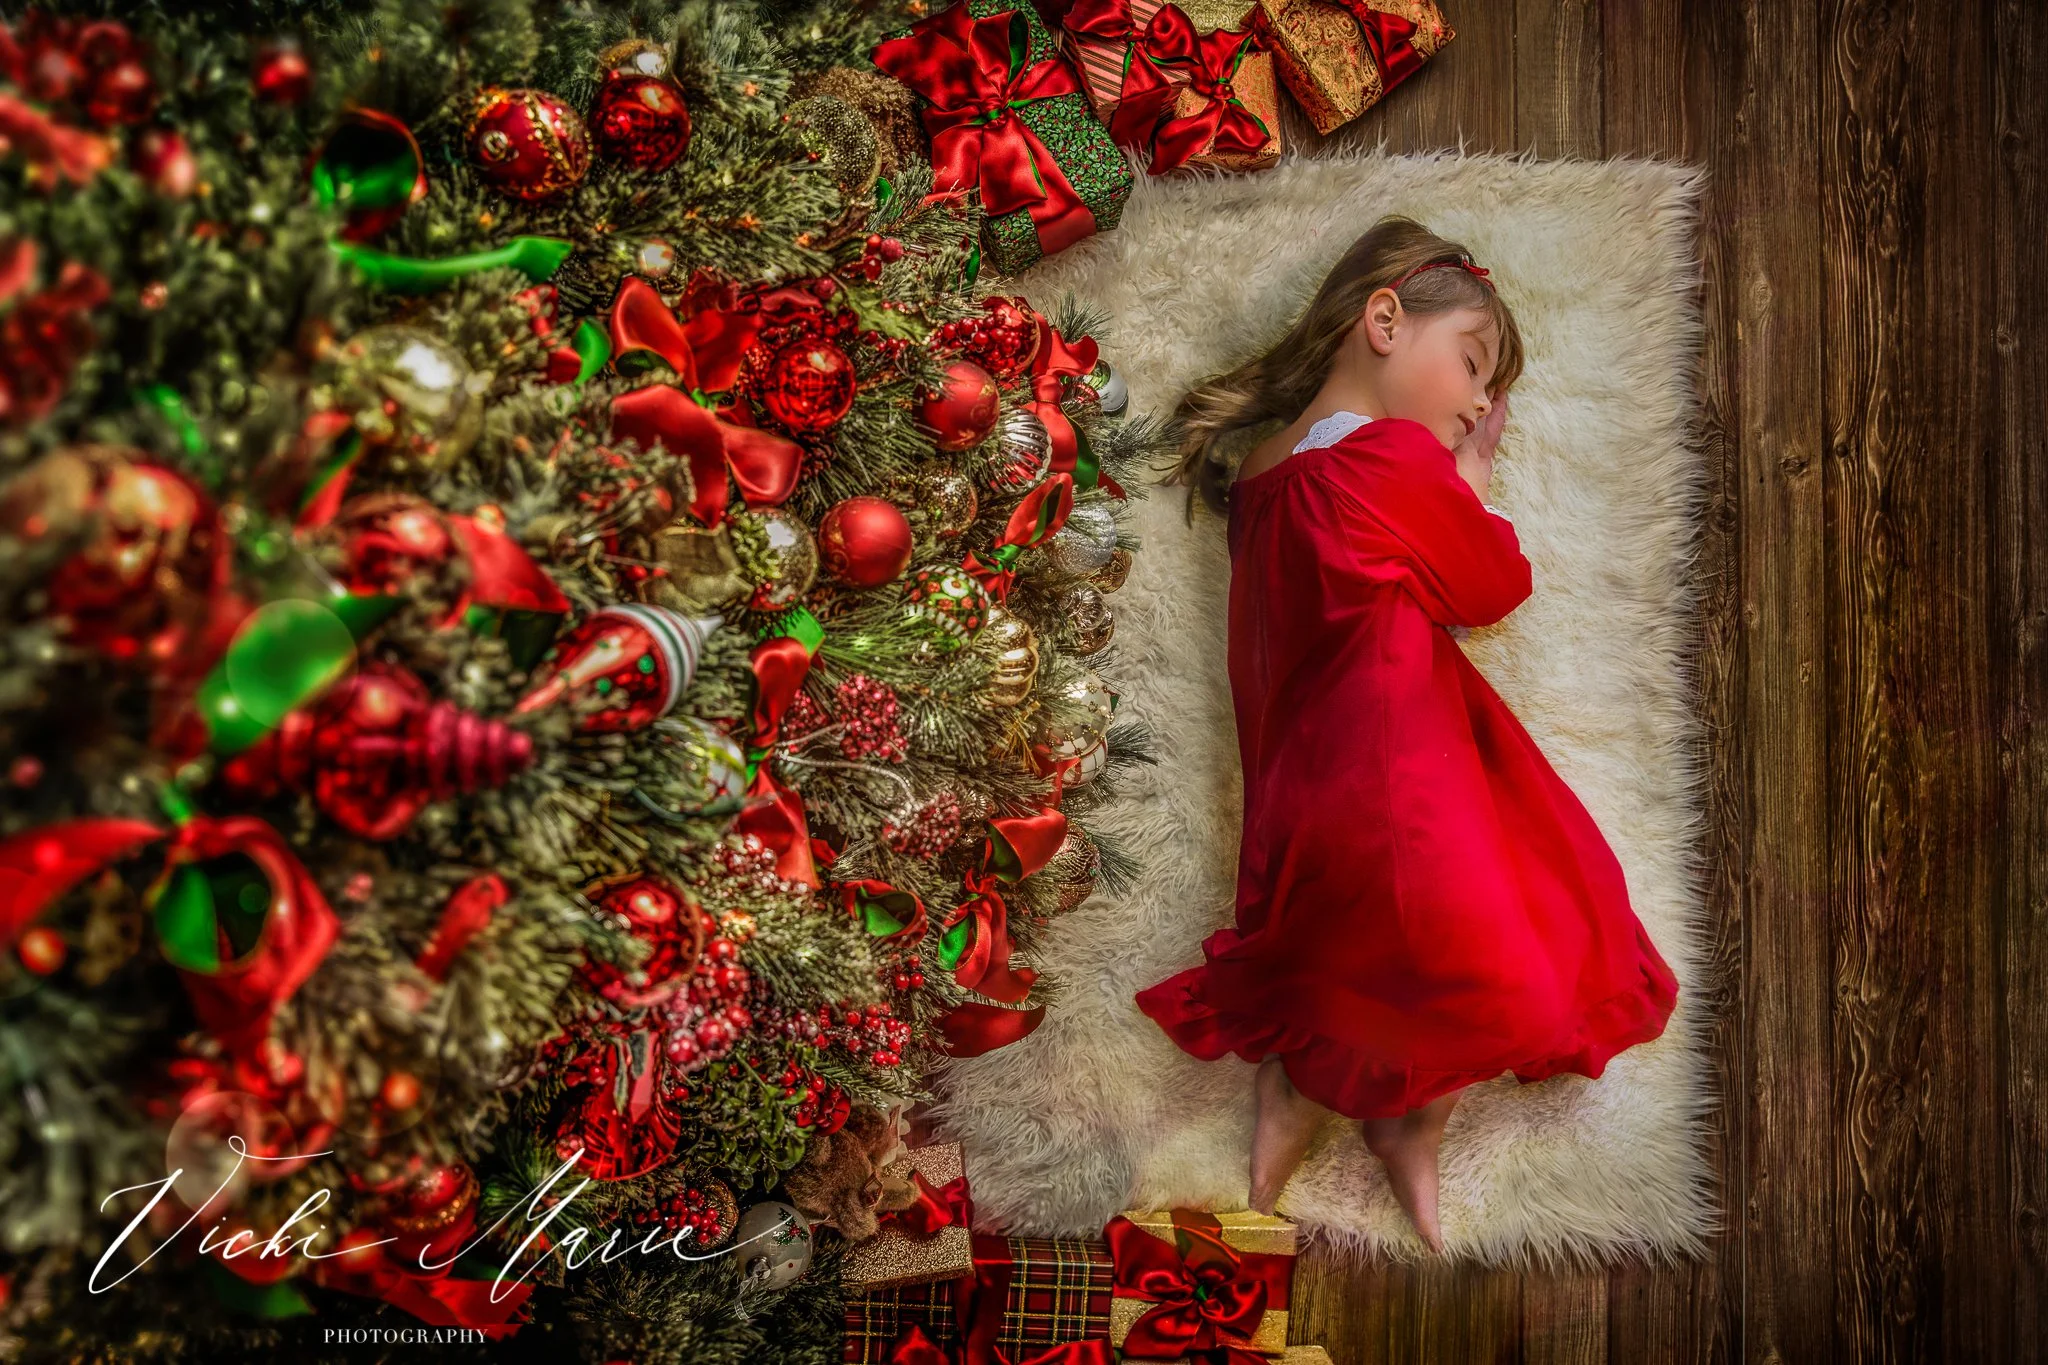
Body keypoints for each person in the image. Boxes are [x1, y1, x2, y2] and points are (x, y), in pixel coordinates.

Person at [1139, 215, 1680, 1252]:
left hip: (1300, 778)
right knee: (1489, 952)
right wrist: (1472, 479)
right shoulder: (1384, 456)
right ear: (1382, 321)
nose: (1479, 405)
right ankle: (1380, 1109)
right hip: (1400, 769)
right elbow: (1487, 584)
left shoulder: (1266, 470)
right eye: (1472, 366)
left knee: (1347, 955)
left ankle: (1348, 1101)